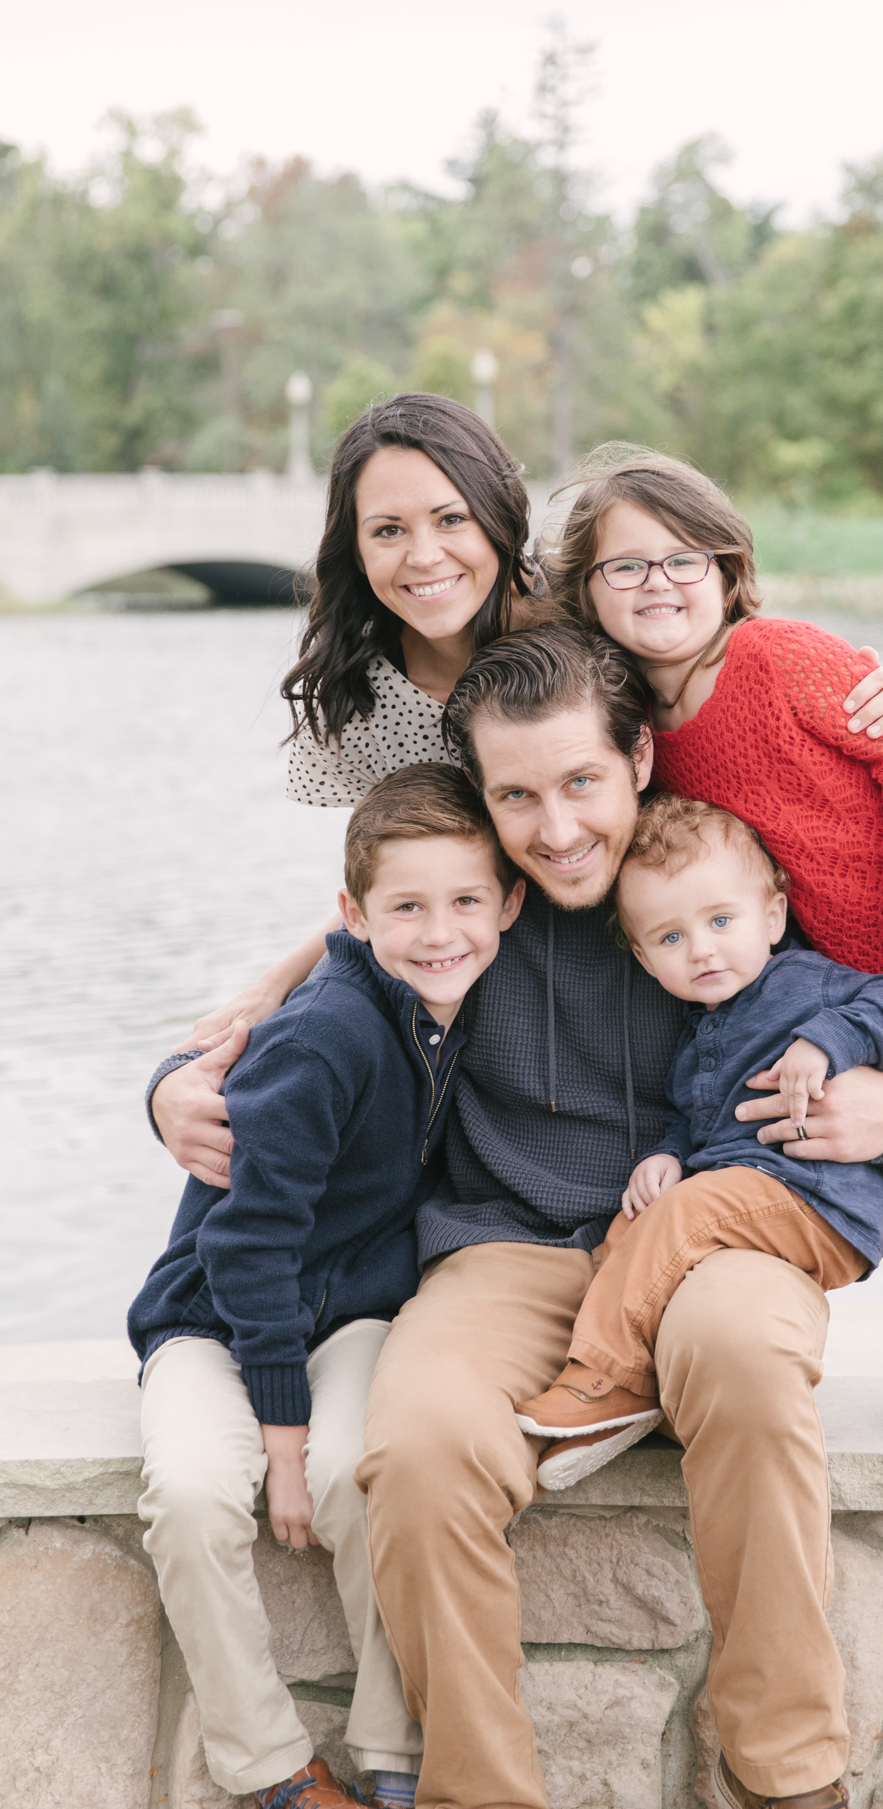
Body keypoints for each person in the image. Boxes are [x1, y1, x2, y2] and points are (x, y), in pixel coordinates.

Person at [150, 624, 883, 1809]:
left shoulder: (710, 871)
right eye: (518, 796)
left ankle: (787, 1778)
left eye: (582, 781)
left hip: (713, 1237)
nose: (559, 826)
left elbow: (866, 1017)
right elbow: (329, 990)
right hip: (502, 1249)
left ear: (638, 756)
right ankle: (481, 1794)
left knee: (742, 1354)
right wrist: (170, 1078)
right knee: (414, 1451)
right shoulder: (469, 917)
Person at [548, 444, 883, 1448]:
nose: (659, 583)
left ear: (726, 569)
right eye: (625, 566)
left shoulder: (776, 656)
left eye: (685, 559)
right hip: (870, 959)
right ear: (587, 592)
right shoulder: (647, 728)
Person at [174, 391, 883, 1070]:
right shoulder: (368, 696)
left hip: (690, 952)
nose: (423, 555)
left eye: (451, 518)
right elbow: (408, 887)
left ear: (498, 516)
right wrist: (276, 986)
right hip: (519, 999)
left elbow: (720, 652)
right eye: (387, 530)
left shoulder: (584, 614)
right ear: (354, 544)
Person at [130, 765, 523, 1809]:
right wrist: (283, 1437)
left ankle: (394, 1758)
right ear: (352, 917)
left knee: (377, 1473)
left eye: (466, 903)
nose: (441, 931)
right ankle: (272, 1771)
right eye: (407, 908)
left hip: (350, 1311)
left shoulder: (450, 1005)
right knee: (194, 1495)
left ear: (508, 905)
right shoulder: (328, 1033)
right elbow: (249, 1243)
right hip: (214, 1317)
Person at [515, 793, 883, 1488]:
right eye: (672, 938)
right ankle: (634, 1392)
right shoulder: (698, 1037)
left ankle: (603, 1378)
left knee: (685, 1212)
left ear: (772, 915)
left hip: (818, 1200)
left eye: (720, 920)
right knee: (634, 1225)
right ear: (646, 960)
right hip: (747, 1195)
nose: (702, 948)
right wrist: (667, 1154)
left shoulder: (802, 983)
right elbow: (704, 1120)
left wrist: (824, 1043)